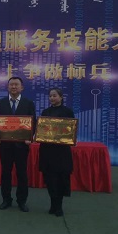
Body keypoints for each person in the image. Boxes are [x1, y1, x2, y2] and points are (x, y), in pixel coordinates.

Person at [0, 76, 36, 212]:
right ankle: (6, 199)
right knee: (5, 173)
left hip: (22, 145)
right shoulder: (1, 103)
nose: (13, 87)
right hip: (5, 145)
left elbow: (33, 122)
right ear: (7, 87)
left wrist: (30, 137)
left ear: (21, 87)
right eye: (11, 84)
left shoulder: (28, 103)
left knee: (22, 173)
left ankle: (22, 201)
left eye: (16, 85)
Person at [39, 88, 75, 217]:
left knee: (61, 179)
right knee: (50, 179)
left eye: (54, 96)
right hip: (47, 150)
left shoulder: (68, 112)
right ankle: (52, 204)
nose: (52, 98)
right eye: (50, 96)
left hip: (61, 151)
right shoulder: (45, 112)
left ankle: (59, 206)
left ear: (61, 97)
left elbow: (70, 130)